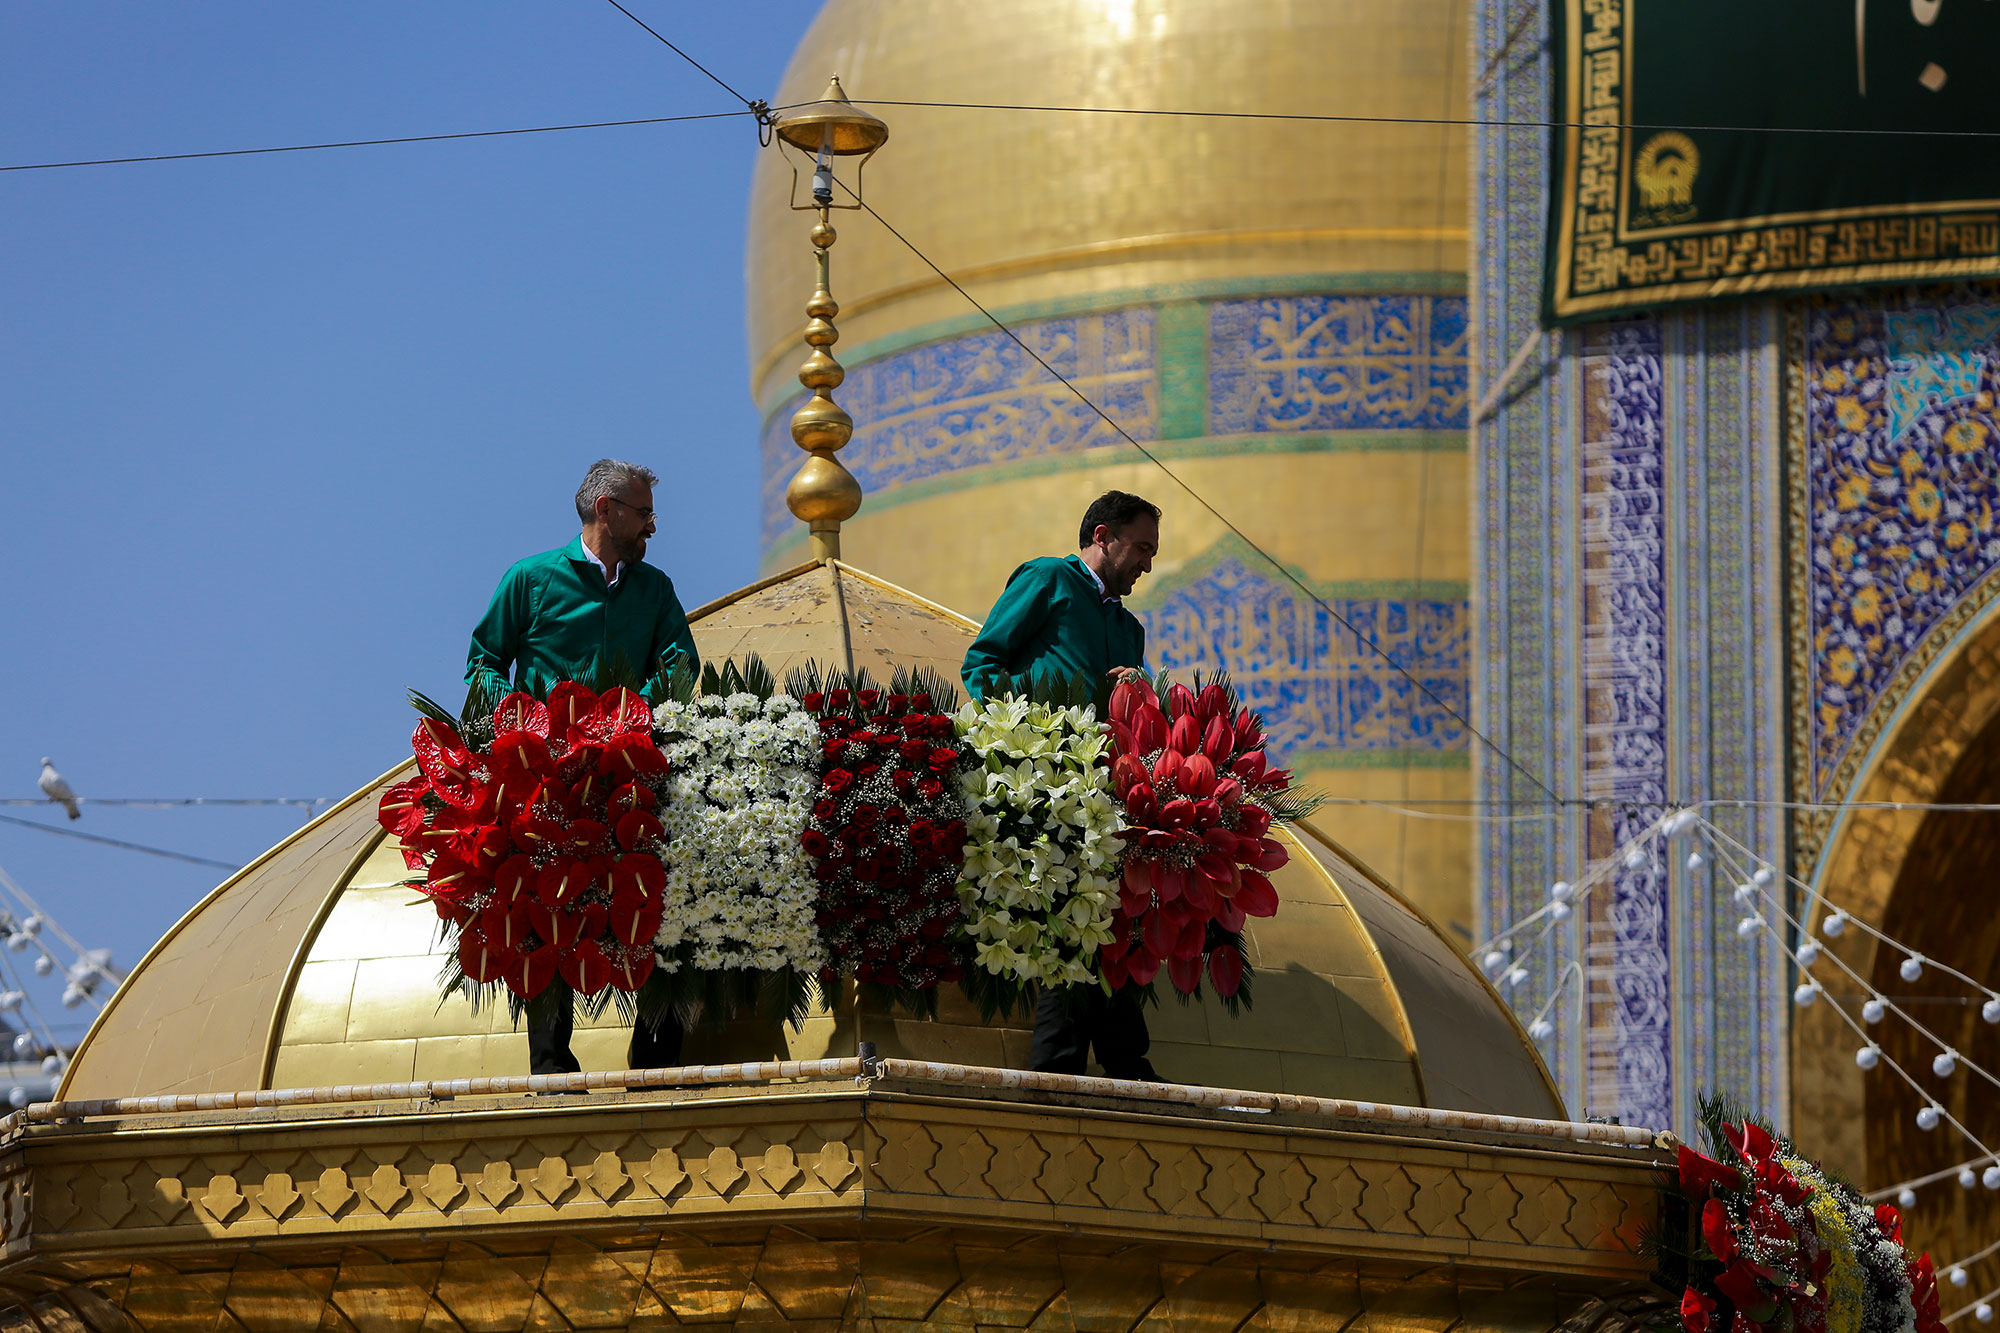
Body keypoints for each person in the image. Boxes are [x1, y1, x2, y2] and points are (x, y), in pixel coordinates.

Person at [466, 458, 699, 1076]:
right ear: (606, 510)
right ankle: (550, 1066)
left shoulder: (656, 590)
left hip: (629, 768)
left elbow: (681, 662)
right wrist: (517, 722)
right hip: (547, 776)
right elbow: (485, 659)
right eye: (643, 513)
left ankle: (655, 1062)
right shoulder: (531, 578)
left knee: (655, 898)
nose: (653, 526)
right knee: (546, 903)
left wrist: (632, 711)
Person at [961, 489, 1163, 1082]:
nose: (1147, 564)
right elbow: (982, 664)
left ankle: (1113, 1063)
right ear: (1103, 536)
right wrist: (1027, 737)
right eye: (1142, 547)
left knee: (1099, 924)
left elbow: (1133, 719)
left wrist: (1137, 692)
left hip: (1100, 797)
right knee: (1068, 930)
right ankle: (1088, 1065)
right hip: (1041, 782)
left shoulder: (1130, 628)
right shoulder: (1048, 580)